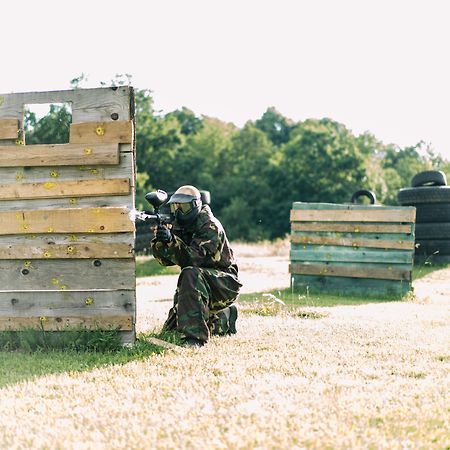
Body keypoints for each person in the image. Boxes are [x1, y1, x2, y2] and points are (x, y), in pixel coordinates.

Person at [151, 185, 242, 347]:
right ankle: (223, 318)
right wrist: (161, 241)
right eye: (175, 207)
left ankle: (195, 339)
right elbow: (166, 261)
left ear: (195, 205)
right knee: (172, 329)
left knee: (190, 273)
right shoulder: (179, 225)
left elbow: (193, 258)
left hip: (225, 285)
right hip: (201, 282)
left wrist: (171, 240)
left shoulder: (210, 226)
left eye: (183, 207)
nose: (178, 211)